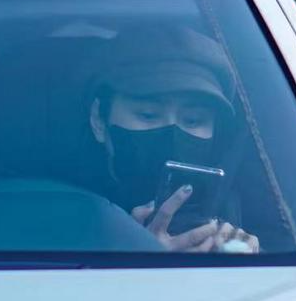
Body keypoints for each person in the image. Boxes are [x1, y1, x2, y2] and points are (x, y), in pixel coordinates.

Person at [88, 26, 259, 255]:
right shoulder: (66, 222)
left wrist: (244, 263)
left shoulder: (245, 216)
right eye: (148, 115)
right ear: (99, 120)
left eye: (193, 120)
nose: (172, 134)